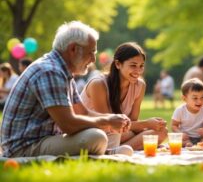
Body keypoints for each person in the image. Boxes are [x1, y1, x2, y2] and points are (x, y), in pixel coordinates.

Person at [1, 21, 132, 158]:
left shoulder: (63, 71)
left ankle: (103, 152)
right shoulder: (50, 71)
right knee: (95, 137)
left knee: (97, 134)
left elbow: (83, 112)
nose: (93, 59)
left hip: (42, 140)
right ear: (73, 49)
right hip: (23, 147)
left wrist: (112, 118)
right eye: (91, 52)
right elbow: (68, 125)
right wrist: (107, 122)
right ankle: (104, 153)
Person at [80, 42, 167, 150]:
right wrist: (147, 124)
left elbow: (132, 122)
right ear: (118, 64)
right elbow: (108, 124)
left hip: (119, 132)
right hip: (93, 132)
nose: (138, 71)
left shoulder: (140, 85)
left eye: (141, 66)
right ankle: (120, 148)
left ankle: (118, 149)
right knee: (119, 133)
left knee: (162, 132)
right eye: (133, 65)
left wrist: (154, 126)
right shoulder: (98, 84)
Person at [171, 78, 203, 147]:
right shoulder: (180, 110)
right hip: (186, 137)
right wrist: (180, 133)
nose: (199, 101)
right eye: (195, 98)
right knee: (175, 138)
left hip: (201, 137)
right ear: (184, 99)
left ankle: (202, 142)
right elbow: (174, 126)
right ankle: (187, 143)